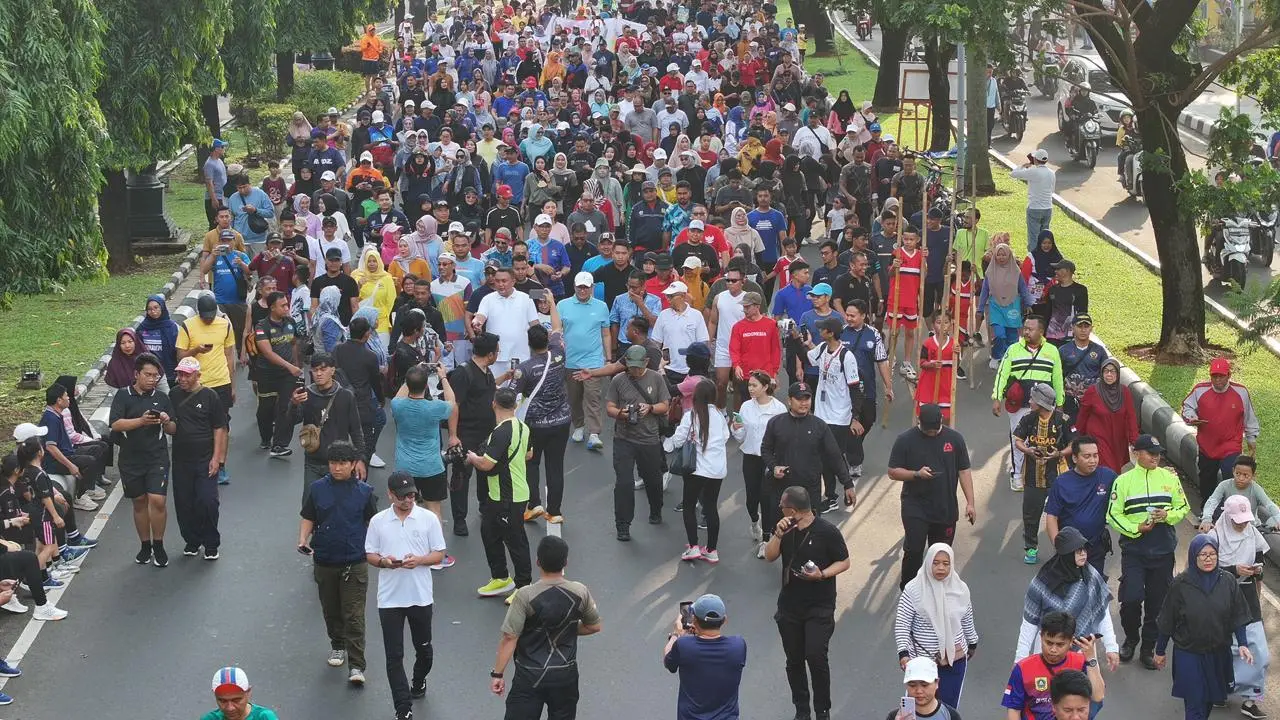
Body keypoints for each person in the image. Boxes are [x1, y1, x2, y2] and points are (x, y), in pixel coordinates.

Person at [491, 536, 603, 720]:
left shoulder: (525, 595)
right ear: (565, 562)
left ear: (538, 562)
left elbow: (510, 637)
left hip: (529, 675)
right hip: (565, 675)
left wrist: (498, 674)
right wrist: (565, 627)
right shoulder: (580, 591)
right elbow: (594, 626)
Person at [763, 486, 850, 720]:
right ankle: (802, 710)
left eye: (782, 506)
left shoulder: (827, 531)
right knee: (794, 659)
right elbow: (770, 556)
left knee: (816, 656)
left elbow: (844, 561)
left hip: (819, 606)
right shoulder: (785, 529)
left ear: (793, 508)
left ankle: (822, 710)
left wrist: (821, 574)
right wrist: (778, 535)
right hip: (790, 606)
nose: (780, 509)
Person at [366, 472, 448, 720]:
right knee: (394, 656)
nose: (408, 500)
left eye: (411, 495)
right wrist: (384, 561)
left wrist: (420, 560)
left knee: (424, 650)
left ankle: (419, 679)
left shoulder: (428, 519)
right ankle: (403, 708)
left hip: (420, 597)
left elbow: (440, 554)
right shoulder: (378, 521)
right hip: (390, 599)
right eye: (402, 496)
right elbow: (370, 554)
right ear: (391, 495)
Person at [1107, 434, 1190, 668]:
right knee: (1131, 599)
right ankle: (1131, 638)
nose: (1156, 457)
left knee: (1157, 603)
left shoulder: (1169, 479)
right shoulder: (1122, 482)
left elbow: (1183, 507)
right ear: (1136, 453)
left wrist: (1168, 515)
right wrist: (1136, 528)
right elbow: (1113, 514)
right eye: (1150, 453)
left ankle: (1148, 648)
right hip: (1134, 551)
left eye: (1158, 453)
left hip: (1163, 551)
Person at [299, 440, 377, 686]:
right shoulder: (317, 489)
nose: (337, 468)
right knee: (331, 609)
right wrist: (302, 539)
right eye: (333, 463)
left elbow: (373, 524)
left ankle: (356, 665)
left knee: (353, 615)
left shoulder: (365, 492)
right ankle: (337, 645)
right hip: (324, 559)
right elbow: (308, 516)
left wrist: (378, 552)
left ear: (353, 464)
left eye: (342, 463)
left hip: (354, 561)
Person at [1154, 534, 1255, 720]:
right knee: (1194, 704)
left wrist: (1242, 643)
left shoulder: (1228, 581)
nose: (1208, 559)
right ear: (1194, 556)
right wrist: (1160, 650)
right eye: (1202, 555)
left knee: (1208, 701)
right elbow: (1167, 619)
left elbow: (1238, 614)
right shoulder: (1180, 584)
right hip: (1188, 653)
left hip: (1218, 653)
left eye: (1212, 554)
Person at [887, 404, 977, 589]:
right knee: (914, 550)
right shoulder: (905, 440)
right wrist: (916, 474)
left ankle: (938, 590)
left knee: (941, 556)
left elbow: (964, 471)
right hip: (915, 506)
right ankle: (909, 590)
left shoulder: (955, 439)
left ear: (941, 421)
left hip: (945, 508)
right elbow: (892, 471)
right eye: (928, 431)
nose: (932, 434)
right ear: (919, 422)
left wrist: (970, 503)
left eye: (935, 431)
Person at [1016, 527, 1120, 674]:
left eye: (1084, 549)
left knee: (1082, 695)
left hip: (1082, 655)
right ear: (1066, 554)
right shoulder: (1041, 583)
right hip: (1046, 657)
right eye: (1077, 550)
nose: (1083, 553)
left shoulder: (1090, 577)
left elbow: (1103, 612)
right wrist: (1020, 662)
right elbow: (1028, 625)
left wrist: (1111, 647)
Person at [109, 352, 178, 567]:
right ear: (136, 374)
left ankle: (159, 544)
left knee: (158, 500)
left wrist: (166, 421)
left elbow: (174, 429)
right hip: (130, 459)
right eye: (148, 375)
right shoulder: (123, 396)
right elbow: (116, 424)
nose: (152, 379)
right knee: (139, 502)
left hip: (156, 456)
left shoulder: (162, 398)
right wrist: (140, 421)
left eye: (155, 376)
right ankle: (145, 545)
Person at [1206, 495, 1271, 719]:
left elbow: (1260, 554)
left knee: (1259, 650)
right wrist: (1234, 570)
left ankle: (1251, 699)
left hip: (1247, 595)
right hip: (1221, 595)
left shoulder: (1252, 531)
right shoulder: (1213, 537)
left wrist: (1257, 569)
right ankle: (1219, 689)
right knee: (1223, 646)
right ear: (1227, 515)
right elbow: (1206, 570)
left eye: (1245, 520)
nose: (1243, 524)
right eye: (1238, 520)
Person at [466, 387, 534, 600]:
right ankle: (501, 577)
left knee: (515, 540)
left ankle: (524, 586)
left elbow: (486, 464)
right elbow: (529, 454)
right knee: (489, 532)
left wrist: (472, 458)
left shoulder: (501, 431)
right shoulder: (523, 427)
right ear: (515, 406)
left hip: (509, 496)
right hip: (502, 494)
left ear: (493, 404)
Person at [893, 544, 978, 709]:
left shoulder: (961, 589)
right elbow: (902, 624)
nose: (941, 568)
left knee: (947, 708)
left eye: (946, 563)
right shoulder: (913, 590)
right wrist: (903, 654)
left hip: (954, 661)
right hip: (921, 661)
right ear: (928, 562)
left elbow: (967, 619)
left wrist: (972, 641)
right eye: (936, 562)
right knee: (916, 707)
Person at [390, 363, 457, 570]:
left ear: (408, 384)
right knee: (433, 508)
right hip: (431, 466)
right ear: (427, 385)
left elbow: (398, 395)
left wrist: (411, 374)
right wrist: (443, 377)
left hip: (405, 466)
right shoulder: (435, 408)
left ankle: (404, 550)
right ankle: (436, 555)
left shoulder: (397, 405)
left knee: (404, 508)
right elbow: (452, 402)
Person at [606, 344, 672, 541]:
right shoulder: (618, 380)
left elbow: (665, 406)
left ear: (646, 362)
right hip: (624, 438)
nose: (633, 370)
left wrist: (650, 408)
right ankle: (623, 525)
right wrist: (620, 413)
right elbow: (609, 406)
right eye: (630, 366)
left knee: (653, 480)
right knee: (624, 483)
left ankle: (656, 509)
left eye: (637, 367)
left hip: (649, 439)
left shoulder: (656, 378)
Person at [992, 315, 1063, 492]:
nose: (1026, 332)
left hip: (1046, 406)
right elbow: (1002, 374)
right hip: (1019, 404)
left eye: (1030, 329)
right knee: (1019, 439)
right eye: (1025, 328)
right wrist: (997, 398)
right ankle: (1017, 476)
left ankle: (1045, 475)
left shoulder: (1052, 351)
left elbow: (1058, 378)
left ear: (1041, 331)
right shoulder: (1013, 349)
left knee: (1045, 439)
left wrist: (1060, 403)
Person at [169, 358, 228, 561]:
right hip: (180, 460)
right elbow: (171, 426)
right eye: (179, 374)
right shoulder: (174, 395)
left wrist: (217, 458)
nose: (182, 378)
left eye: (186, 374)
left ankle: (211, 543)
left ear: (197, 376)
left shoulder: (210, 397)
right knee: (184, 503)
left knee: (208, 501)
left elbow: (219, 428)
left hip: (205, 459)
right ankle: (192, 540)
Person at [665, 379, 730, 563]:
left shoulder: (691, 415)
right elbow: (725, 437)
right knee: (711, 508)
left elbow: (678, 440)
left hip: (696, 469)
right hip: (717, 470)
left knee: (689, 505)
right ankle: (711, 549)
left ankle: (693, 547)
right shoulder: (719, 415)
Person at [804, 315, 864, 514]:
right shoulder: (821, 348)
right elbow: (807, 358)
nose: (819, 331)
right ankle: (832, 496)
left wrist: (855, 417)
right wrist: (796, 340)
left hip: (839, 416)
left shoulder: (846, 357)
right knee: (823, 457)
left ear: (830, 333)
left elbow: (855, 389)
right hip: (821, 413)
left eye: (822, 329)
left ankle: (843, 490)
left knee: (834, 456)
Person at [1182, 358, 1260, 510]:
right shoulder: (1199, 390)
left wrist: (1251, 438)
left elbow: (1249, 416)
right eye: (1214, 376)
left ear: (1229, 375)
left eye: (1221, 376)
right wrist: (1193, 418)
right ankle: (1207, 511)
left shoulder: (1241, 392)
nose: (1217, 380)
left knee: (1230, 475)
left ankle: (1232, 510)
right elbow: (1187, 407)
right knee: (1207, 480)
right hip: (1207, 446)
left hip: (1231, 445)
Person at [512, 324, 571, 525]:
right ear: (546, 340)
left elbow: (512, 397)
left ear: (529, 343)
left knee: (531, 463)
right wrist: (550, 301)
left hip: (534, 425)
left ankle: (534, 504)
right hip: (562, 421)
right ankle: (555, 512)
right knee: (555, 466)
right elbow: (557, 328)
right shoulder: (559, 355)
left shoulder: (524, 369)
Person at [177, 294, 238, 485]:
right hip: (197, 384)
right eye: (205, 316)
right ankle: (199, 462)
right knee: (199, 425)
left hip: (221, 382)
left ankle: (220, 464)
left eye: (212, 315)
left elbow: (229, 356)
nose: (209, 319)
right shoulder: (187, 326)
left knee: (222, 424)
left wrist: (232, 385)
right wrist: (196, 350)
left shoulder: (225, 325)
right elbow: (180, 356)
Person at [1001, 611, 1106, 720]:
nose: (1053, 650)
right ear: (1041, 637)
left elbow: (1098, 696)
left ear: (1071, 641)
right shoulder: (1022, 668)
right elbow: (1013, 709)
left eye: (1060, 644)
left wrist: (1091, 658)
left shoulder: (1081, 663)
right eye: (1049, 643)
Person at [447, 332, 500, 537]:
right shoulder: (463, 373)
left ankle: (484, 507)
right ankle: (459, 520)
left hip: (486, 434)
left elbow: (485, 391)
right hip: (466, 434)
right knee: (461, 476)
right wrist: (453, 435)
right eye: (497, 351)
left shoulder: (486, 371)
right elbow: (454, 405)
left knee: (485, 472)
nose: (498, 354)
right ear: (489, 354)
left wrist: (506, 377)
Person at [1012, 383, 1072, 565]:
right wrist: (1028, 451)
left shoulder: (1063, 420)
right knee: (1030, 514)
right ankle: (1031, 548)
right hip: (1032, 476)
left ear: (1041, 402)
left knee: (1063, 514)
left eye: (1032, 399)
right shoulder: (1028, 419)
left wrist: (1059, 454)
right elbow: (1018, 441)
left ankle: (1064, 549)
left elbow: (1074, 445)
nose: (1029, 402)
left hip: (1058, 477)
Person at [662, 593, 747, 720]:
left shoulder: (683, 646)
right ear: (724, 620)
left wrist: (676, 634)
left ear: (694, 620)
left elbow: (668, 661)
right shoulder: (738, 645)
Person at [730, 371, 788, 558]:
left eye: (754, 385)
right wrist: (735, 429)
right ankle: (755, 520)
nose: (751, 389)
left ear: (765, 387)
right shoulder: (746, 407)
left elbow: (783, 438)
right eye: (749, 385)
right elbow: (741, 436)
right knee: (751, 499)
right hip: (751, 458)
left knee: (767, 498)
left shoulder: (779, 409)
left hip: (769, 460)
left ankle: (766, 539)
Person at [1044, 436, 1119, 578]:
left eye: (1095, 456)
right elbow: (1052, 516)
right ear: (1074, 458)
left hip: (1096, 547)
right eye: (1087, 456)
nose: (1093, 460)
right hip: (1070, 549)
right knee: (1069, 589)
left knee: (1093, 588)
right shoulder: (1062, 482)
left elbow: (1129, 489)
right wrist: (1059, 546)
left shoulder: (1108, 476)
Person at [559, 272, 611, 451]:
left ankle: (594, 433)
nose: (582, 290)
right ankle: (579, 427)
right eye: (579, 287)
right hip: (570, 361)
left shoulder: (601, 306)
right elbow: (559, 332)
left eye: (586, 287)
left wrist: (609, 358)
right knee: (574, 398)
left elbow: (605, 333)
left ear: (592, 288)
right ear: (574, 286)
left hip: (594, 361)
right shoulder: (563, 305)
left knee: (593, 397)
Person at [253, 290, 301, 458]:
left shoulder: (290, 322)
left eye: (287, 305)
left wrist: (296, 364)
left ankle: (279, 445)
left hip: (287, 375)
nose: (287, 308)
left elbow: (294, 343)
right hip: (267, 374)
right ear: (272, 308)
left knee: (286, 407)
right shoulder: (261, 327)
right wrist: (290, 366)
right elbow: (267, 353)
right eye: (283, 306)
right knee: (266, 408)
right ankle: (266, 438)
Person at [1074, 358, 1137, 474]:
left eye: (1112, 371)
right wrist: (1077, 437)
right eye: (1106, 371)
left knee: (1115, 469)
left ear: (1118, 374)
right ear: (1101, 373)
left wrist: (1135, 441)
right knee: (1107, 469)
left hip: (1118, 440)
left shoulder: (1124, 392)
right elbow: (1083, 416)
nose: (1109, 374)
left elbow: (1131, 417)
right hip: (1099, 438)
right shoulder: (1093, 391)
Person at [1200, 455, 1280, 532]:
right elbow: (1212, 501)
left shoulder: (1256, 489)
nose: (1241, 478)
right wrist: (1206, 519)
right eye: (1238, 474)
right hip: (1228, 526)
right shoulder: (1224, 485)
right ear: (1233, 471)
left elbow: (1269, 504)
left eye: (1246, 475)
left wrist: (1278, 519)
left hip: (1251, 528)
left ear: (1253, 476)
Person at [1011, 149, 1056, 253]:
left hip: (1035, 208)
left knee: (1033, 237)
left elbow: (1013, 174)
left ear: (1035, 159)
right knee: (1045, 237)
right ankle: (1045, 257)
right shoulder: (1051, 173)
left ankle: (1033, 260)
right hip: (1048, 208)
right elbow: (1052, 190)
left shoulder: (1033, 171)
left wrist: (1023, 166)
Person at [887, 658, 962, 720]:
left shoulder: (951, 716)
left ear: (937, 683)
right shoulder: (894, 717)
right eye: (912, 685)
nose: (919, 691)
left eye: (924, 685)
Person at [201, 666, 279, 720]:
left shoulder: (264, 717)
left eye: (236, 700)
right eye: (223, 701)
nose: (230, 708)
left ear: (248, 693)